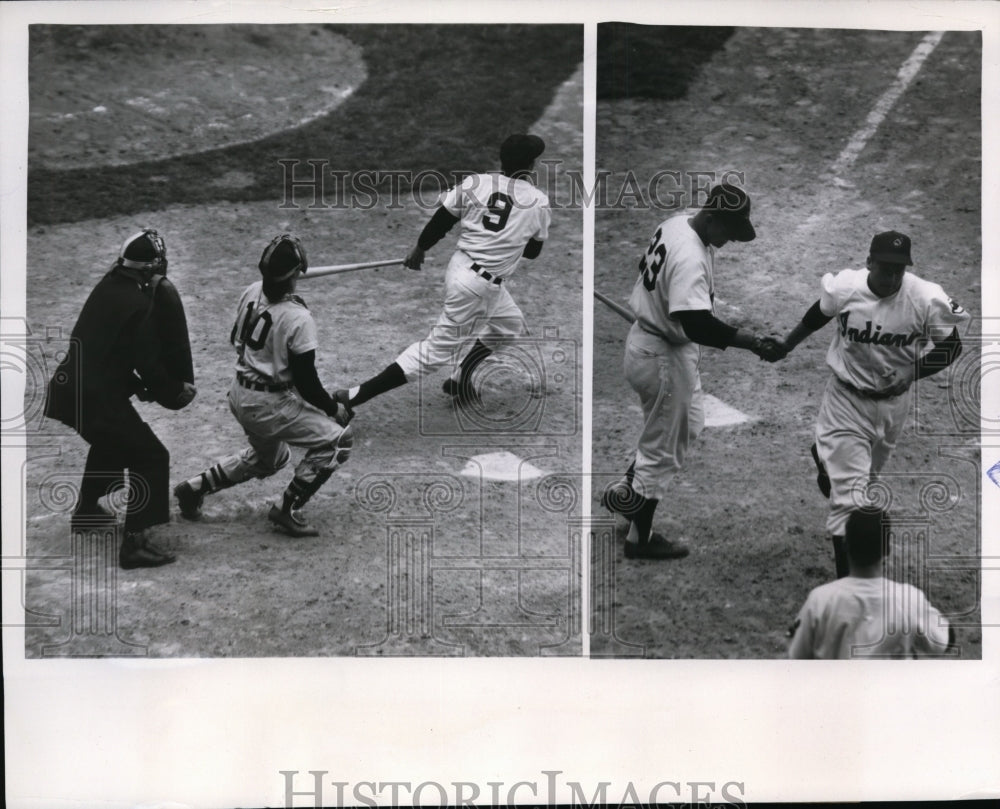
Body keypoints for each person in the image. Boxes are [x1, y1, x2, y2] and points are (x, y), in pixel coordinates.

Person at [600, 183, 786, 560]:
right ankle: (640, 538)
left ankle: (626, 493)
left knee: (689, 425)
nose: (729, 241)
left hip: (653, 345)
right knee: (662, 450)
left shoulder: (678, 223)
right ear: (712, 217)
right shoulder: (690, 256)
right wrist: (751, 342)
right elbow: (697, 324)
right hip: (662, 357)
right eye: (729, 231)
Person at [779, 230, 969, 577]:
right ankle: (849, 591)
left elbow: (952, 346)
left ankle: (825, 459)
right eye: (885, 268)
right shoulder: (847, 288)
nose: (893, 276)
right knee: (849, 504)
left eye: (899, 269)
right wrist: (787, 345)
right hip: (846, 401)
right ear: (869, 262)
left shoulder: (925, 298)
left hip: (894, 407)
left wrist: (913, 372)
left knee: (866, 488)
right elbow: (819, 314)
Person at [334, 133, 551, 414]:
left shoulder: (477, 182)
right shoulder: (538, 201)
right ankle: (350, 397)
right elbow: (533, 253)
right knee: (433, 354)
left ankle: (461, 377)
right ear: (532, 166)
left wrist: (419, 249)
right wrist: (510, 239)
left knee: (508, 325)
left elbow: (442, 220)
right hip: (479, 288)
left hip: (460, 266)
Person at [173, 234, 352, 538]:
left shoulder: (252, 291)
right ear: (295, 275)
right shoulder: (298, 318)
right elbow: (307, 383)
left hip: (240, 393)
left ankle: (194, 488)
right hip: (268, 405)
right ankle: (287, 509)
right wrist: (333, 408)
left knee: (272, 459)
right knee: (338, 441)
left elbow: (239, 340)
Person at [44, 229, 196, 569]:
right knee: (152, 456)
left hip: (71, 392)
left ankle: (85, 514)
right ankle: (134, 545)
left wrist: (135, 386)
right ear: (149, 268)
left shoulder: (109, 286)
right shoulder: (140, 304)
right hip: (97, 398)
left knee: (112, 441)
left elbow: (107, 347)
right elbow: (150, 363)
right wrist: (172, 392)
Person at [788, 509, 953, 659]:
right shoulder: (909, 599)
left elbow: (796, 658)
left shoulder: (819, 600)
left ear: (845, 546)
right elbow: (943, 642)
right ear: (887, 550)